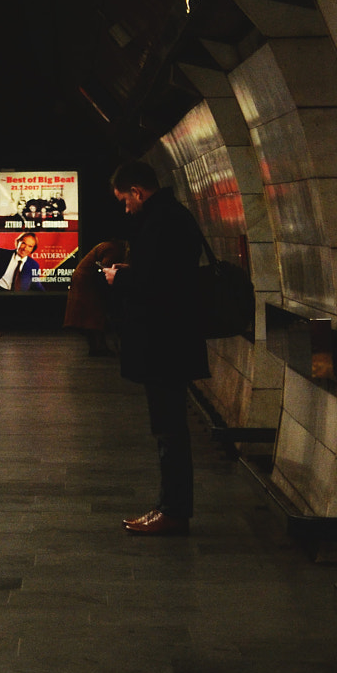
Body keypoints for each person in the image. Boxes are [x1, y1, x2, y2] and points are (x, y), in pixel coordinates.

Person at [102, 163, 208, 536]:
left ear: (137, 190)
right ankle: (167, 505)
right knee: (167, 428)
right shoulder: (171, 217)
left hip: (166, 344)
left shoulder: (163, 221)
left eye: (125, 201)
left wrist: (121, 276)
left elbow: (160, 283)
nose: (126, 209)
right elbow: (166, 273)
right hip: (169, 341)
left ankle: (174, 510)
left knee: (169, 430)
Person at [63, 240, 123, 356]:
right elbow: (106, 269)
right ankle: (98, 347)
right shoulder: (113, 248)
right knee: (93, 316)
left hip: (85, 280)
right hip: (88, 282)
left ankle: (97, 346)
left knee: (90, 317)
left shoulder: (107, 245)